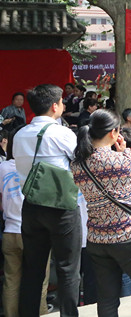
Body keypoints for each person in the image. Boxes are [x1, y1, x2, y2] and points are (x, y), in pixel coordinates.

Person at [71, 110, 131, 316]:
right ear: (113, 133)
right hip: (129, 236)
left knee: (107, 298)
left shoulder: (77, 164)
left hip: (97, 238)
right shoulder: (120, 160)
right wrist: (126, 152)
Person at [13, 84, 82, 317]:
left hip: (31, 207)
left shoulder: (19, 135)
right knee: (67, 269)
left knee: (32, 269)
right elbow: (80, 161)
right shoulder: (61, 133)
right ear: (55, 106)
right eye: (62, 101)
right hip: (61, 207)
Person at [0, 130, 50, 317]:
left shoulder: (2, 167)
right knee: (39, 280)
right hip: (33, 232)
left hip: (9, 232)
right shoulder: (35, 166)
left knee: (11, 281)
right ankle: (41, 313)